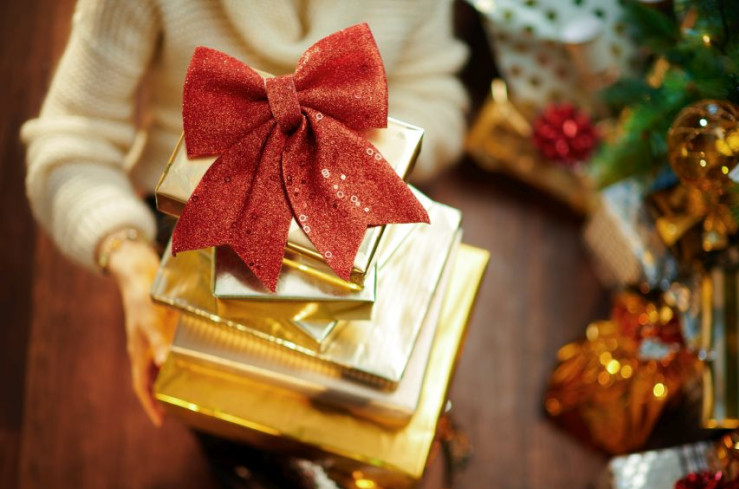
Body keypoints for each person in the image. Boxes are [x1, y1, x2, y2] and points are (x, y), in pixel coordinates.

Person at [22, 0, 468, 426]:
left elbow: (437, 98)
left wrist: (329, 162)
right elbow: (71, 146)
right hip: (192, 225)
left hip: (350, 212)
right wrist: (125, 252)